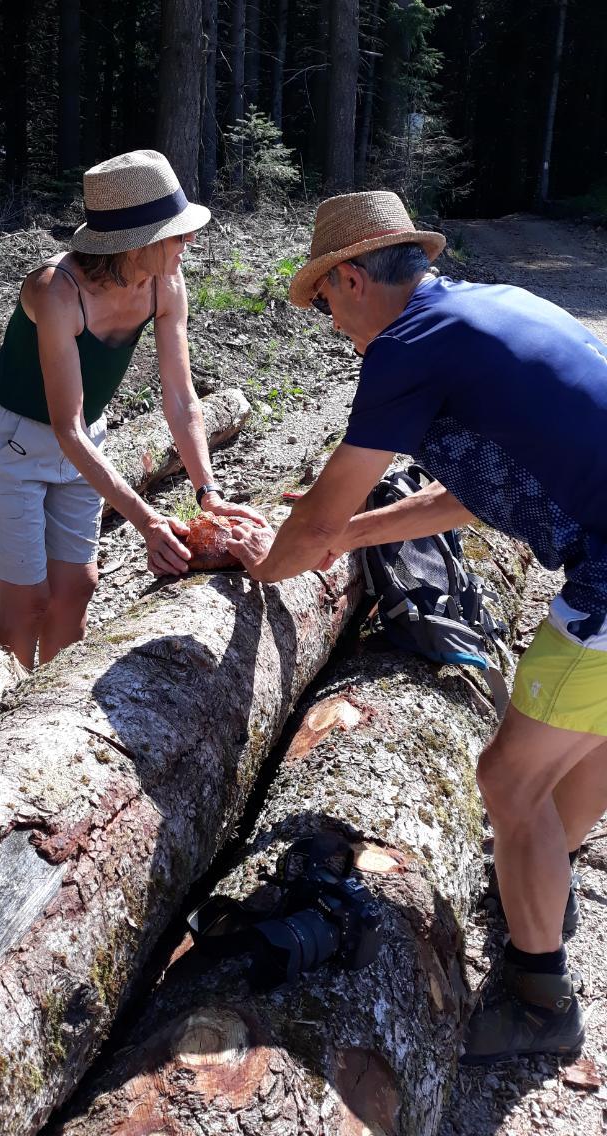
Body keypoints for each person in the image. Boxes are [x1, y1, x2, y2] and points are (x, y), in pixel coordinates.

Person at [225, 189, 607, 1064]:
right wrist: (349, 533)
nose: (331, 324)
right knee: (583, 747)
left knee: (509, 778)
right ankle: (547, 889)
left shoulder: (405, 348)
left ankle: (542, 1004)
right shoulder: (485, 310)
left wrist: (262, 558)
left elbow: (315, 525)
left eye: (326, 303)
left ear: (353, 278)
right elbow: (476, 494)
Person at [0, 149, 264, 669]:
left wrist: (208, 495)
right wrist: (147, 520)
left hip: (84, 440)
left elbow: (180, 397)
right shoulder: (55, 292)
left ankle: (49, 715)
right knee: (26, 597)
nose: (188, 242)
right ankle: (5, 706)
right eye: (176, 233)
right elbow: (67, 427)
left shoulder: (166, 282)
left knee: (78, 585)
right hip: (9, 441)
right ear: (135, 243)